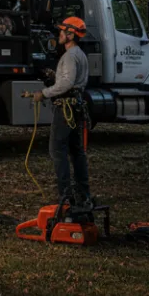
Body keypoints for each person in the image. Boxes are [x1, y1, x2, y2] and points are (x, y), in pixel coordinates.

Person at [32, 15, 91, 207]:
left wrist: (45, 93)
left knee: (57, 150)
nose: (59, 34)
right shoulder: (80, 55)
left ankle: (65, 196)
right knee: (77, 151)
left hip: (65, 108)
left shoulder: (70, 56)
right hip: (76, 107)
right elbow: (69, 80)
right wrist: (54, 76)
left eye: (62, 31)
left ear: (71, 34)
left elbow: (67, 83)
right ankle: (83, 194)